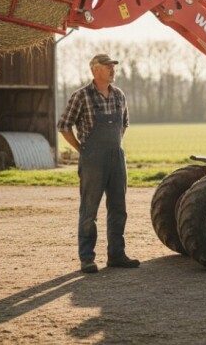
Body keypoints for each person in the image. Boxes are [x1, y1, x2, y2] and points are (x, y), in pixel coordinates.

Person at [58, 53, 139, 273]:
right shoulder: (81, 96)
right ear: (95, 70)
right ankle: (87, 258)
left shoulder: (119, 95)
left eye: (113, 66)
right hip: (92, 159)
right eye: (107, 66)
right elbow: (64, 125)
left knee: (118, 208)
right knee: (89, 210)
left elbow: (124, 124)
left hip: (116, 157)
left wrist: (115, 144)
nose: (113, 70)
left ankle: (116, 255)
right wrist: (81, 149)